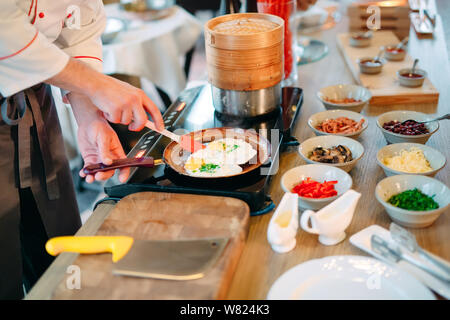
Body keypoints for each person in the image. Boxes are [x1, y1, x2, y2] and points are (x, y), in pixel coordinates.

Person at [0, 0, 164, 299]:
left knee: (62, 249)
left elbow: (79, 23)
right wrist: (97, 85)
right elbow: (5, 30)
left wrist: (89, 115)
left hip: (35, 104)